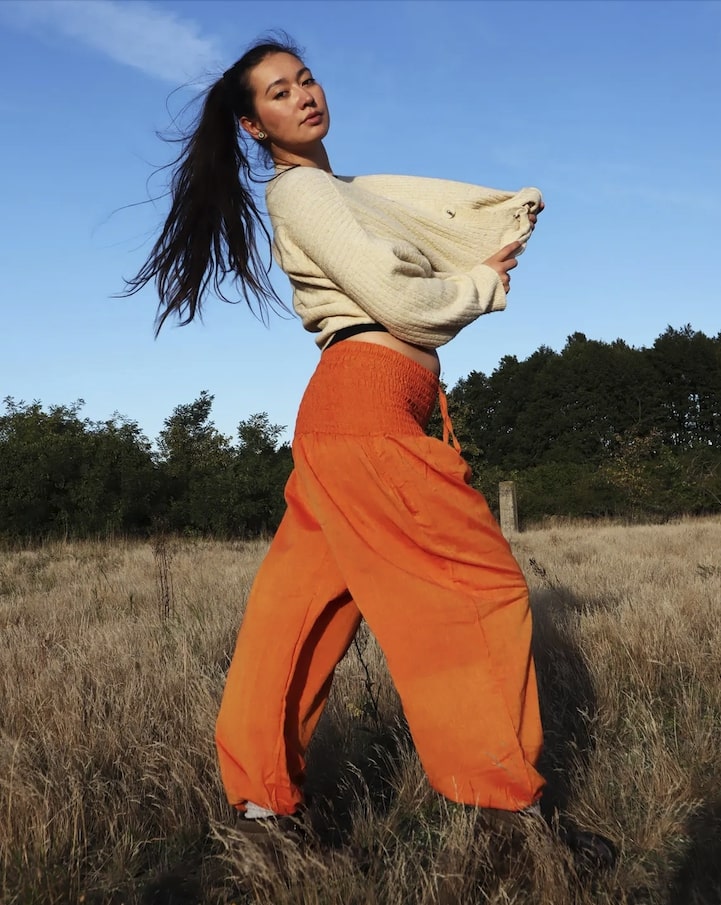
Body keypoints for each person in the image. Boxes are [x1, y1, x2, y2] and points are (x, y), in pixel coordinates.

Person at [126, 35, 614, 866]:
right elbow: (402, 305)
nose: (304, 95)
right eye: (279, 92)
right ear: (253, 125)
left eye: (306, 79)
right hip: (367, 412)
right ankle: (507, 818)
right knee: (480, 590)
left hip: (348, 414)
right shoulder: (306, 193)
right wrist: (481, 284)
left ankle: (259, 811)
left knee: (299, 615)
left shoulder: (335, 190)